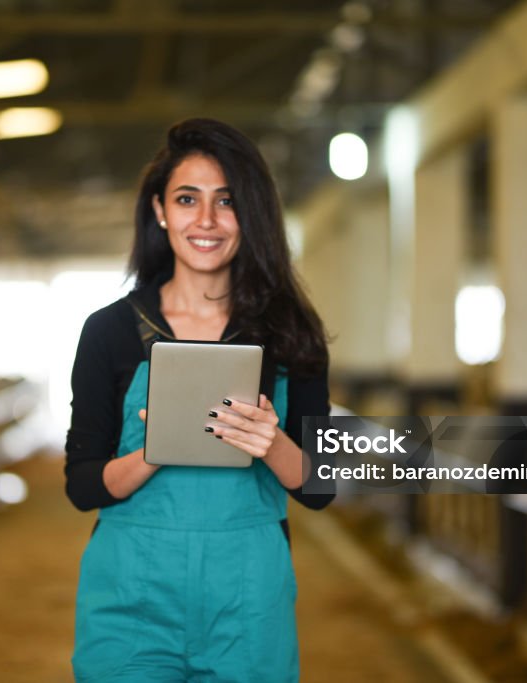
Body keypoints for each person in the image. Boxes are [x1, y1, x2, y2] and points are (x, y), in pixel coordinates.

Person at [64, 118, 334, 683]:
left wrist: (272, 442)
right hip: (131, 597)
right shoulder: (110, 331)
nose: (206, 221)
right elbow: (82, 485)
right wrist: (157, 448)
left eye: (227, 201)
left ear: (250, 215)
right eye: (187, 199)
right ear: (160, 211)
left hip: (248, 601)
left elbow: (320, 486)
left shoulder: (290, 333)